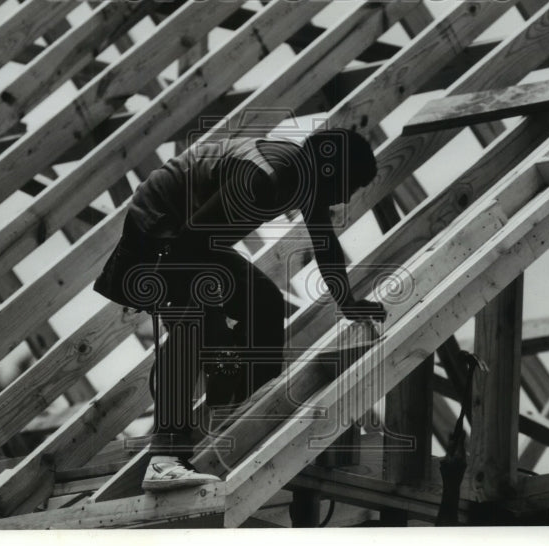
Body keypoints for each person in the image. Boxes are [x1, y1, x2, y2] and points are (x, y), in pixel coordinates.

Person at [94, 127, 386, 491]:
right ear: (330, 171)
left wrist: (348, 302)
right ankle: (164, 457)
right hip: (159, 232)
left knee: (265, 302)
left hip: (194, 237)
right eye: (348, 186)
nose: (344, 197)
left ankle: (253, 416)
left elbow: (324, 242)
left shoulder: (305, 178)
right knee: (194, 323)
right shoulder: (262, 178)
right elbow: (188, 248)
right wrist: (216, 338)